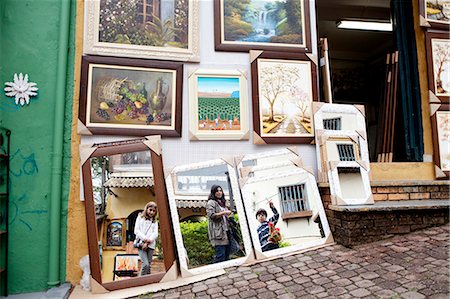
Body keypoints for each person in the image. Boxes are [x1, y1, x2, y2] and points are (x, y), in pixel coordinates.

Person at [206, 185, 233, 263]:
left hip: (226, 232)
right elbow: (211, 215)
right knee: (220, 256)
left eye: (220, 190)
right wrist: (224, 212)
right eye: (217, 191)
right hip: (218, 233)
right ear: (213, 192)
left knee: (227, 256)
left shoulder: (223, 203)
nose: (219, 192)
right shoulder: (211, 202)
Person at [134, 201, 158, 276]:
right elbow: (136, 230)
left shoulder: (154, 221)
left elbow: (155, 233)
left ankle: (148, 283)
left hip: (150, 245)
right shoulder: (140, 218)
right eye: (150, 210)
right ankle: (140, 282)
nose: (151, 212)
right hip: (141, 243)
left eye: (154, 211)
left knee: (148, 267)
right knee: (145, 264)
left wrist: (148, 242)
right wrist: (145, 239)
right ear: (146, 209)